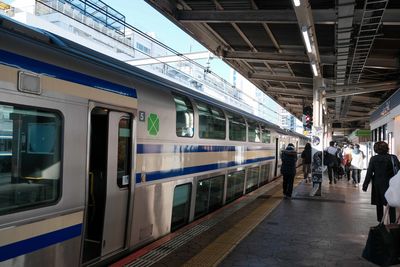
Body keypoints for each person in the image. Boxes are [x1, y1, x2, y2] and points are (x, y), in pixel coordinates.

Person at [363, 141, 400, 223]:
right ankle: (392, 222)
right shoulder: (393, 157)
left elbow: (369, 172)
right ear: (387, 148)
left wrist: (365, 185)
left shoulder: (373, 159)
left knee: (379, 203)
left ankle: (380, 222)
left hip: (378, 184)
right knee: (391, 202)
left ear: (376, 149)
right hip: (391, 183)